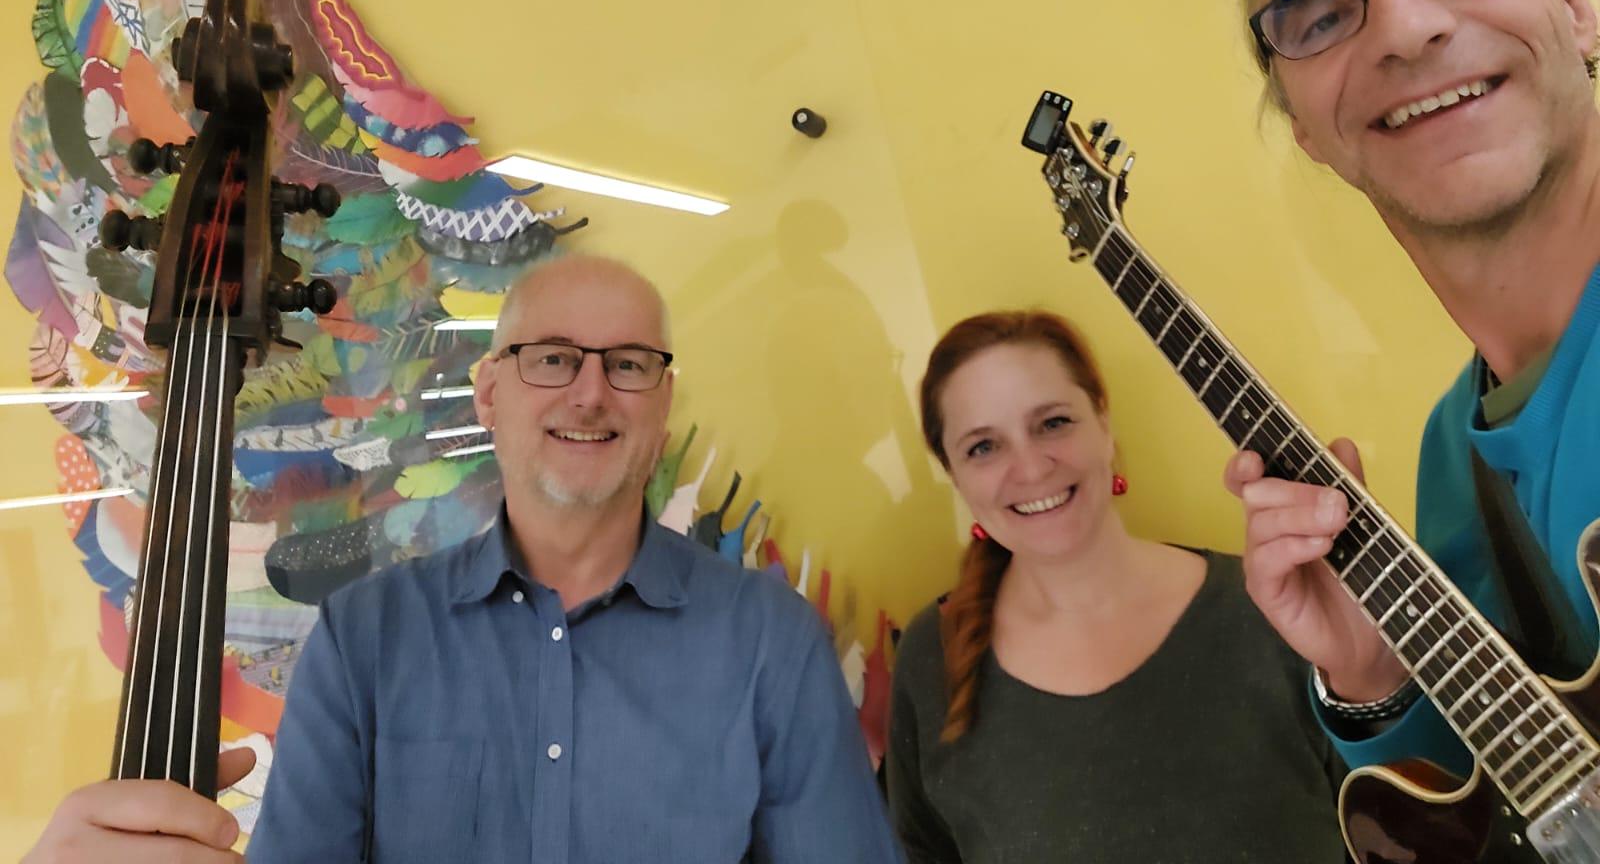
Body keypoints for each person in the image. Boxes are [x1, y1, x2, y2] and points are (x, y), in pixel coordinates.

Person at [26, 253, 902, 863]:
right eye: (552, 359)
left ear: (663, 402)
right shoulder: (365, 638)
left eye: (629, 365)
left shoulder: (772, 642)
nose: (590, 393)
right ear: (489, 394)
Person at [1226, 0, 1600, 778]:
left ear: (1578, 6)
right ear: (1309, 133)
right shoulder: (1451, 465)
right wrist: (1374, 673)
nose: (1403, 26)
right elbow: (1527, 806)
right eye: (1320, 19)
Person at [885, 309, 1346, 863]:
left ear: (1103, 423)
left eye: (1053, 423)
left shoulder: (1278, 610)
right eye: (983, 447)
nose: (1031, 469)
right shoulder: (929, 661)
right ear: (955, 476)